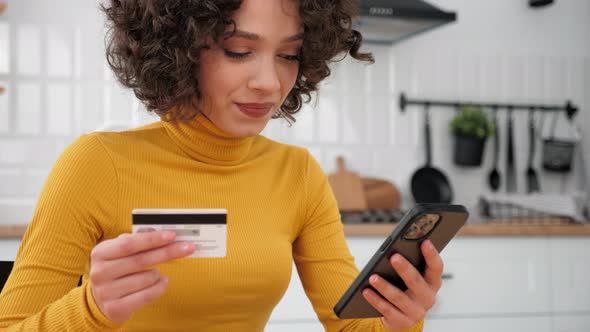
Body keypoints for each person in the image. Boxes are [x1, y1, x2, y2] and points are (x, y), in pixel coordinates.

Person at [0, 0, 444, 331]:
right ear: (179, 50)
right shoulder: (97, 165)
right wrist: (91, 310)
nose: (270, 83)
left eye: (288, 55)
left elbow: (350, 326)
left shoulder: (299, 174)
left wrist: (397, 321)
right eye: (237, 50)